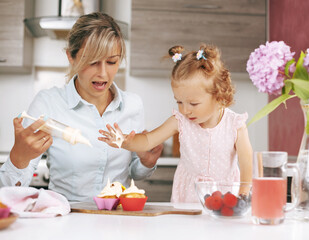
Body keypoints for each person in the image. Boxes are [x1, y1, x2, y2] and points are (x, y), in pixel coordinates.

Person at [0, 12, 163, 202]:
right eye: (92, 62)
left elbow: (136, 172)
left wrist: (146, 162)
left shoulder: (133, 105)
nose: (103, 73)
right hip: (66, 220)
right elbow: (7, 191)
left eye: (111, 62)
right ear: (71, 56)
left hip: (116, 221)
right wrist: (19, 158)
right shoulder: (48, 103)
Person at [99, 44, 253, 203]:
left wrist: (243, 192)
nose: (185, 110)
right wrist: (122, 141)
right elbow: (147, 141)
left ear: (219, 96)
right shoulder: (180, 122)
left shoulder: (235, 125)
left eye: (193, 104)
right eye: (179, 102)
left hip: (225, 196)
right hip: (188, 197)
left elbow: (246, 161)